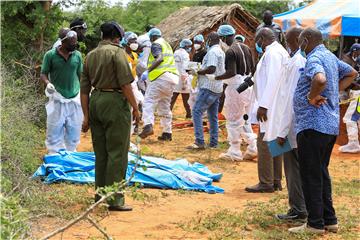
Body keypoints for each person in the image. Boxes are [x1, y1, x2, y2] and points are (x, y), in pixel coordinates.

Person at [289, 27, 357, 234]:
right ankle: (330, 220)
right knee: (321, 173)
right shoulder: (330, 56)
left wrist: (311, 96)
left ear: (307, 39)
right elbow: (352, 73)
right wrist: (333, 92)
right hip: (328, 126)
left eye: (301, 40)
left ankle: (315, 224)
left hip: (312, 125)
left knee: (311, 176)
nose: (299, 44)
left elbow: (319, 79)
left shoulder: (315, 57)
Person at [80, 21, 139, 211]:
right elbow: (125, 84)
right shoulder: (117, 53)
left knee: (101, 152)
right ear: (117, 37)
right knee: (117, 152)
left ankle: (100, 195)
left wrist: (86, 117)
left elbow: (83, 90)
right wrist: (136, 108)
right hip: (114, 102)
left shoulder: (89, 55)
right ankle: (114, 199)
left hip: (95, 100)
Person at [245, 27, 288, 193]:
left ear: (262, 38)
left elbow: (273, 80)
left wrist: (264, 105)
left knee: (264, 143)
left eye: (257, 40)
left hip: (270, 105)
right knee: (275, 141)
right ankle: (276, 180)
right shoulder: (278, 51)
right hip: (276, 105)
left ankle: (266, 182)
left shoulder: (273, 54)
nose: (257, 44)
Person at [274, 27, 307, 223]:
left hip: (291, 127)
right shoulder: (296, 60)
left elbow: (290, 101)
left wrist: (282, 130)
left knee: (293, 170)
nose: (287, 43)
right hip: (292, 125)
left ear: (297, 39)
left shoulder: (297, 63)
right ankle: (298, 207)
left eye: (288, 40)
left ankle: (298, 209)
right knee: (294, 169)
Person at [215, 24, 257, 161]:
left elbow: (231, 72)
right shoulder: (246, 48)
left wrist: (215, 77)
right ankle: (253, 147)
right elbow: (252, 68)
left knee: (233, 121)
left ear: (223, 37)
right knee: (244, 119)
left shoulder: (230, 51)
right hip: (248, 86)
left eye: (221, 38)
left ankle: (234, 151)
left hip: (236, 88)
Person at [40, 29, 83, 155]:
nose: (74, 45)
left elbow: (81, 75)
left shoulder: (77, 55)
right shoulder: (50, 55)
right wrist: (48, 83)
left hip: (75, 98)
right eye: (71, 43)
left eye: (75, 43)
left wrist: (85, 91)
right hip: (57, 98)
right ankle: (54, 156)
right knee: (54, 129)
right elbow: (43, 73)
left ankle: (71, 154)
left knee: (74, 130)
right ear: (62, 42)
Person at [139, 28, 179, 141]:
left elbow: (160, 58)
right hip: (172, 79)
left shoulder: (156, 44)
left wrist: (148, 70)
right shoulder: (167, 44)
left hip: (160, 77)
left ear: (151, 37)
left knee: (148, 101)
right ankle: (167, 132)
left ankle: (148, 125)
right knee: (164, 106)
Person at [187, 32, 225, 149]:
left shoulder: (213, 52)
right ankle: (213, 142)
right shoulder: (220, 51)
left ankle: (199, 141)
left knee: (196, 111)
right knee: (212, 116)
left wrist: (197, 72)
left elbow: (211, 68)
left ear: (209, 40)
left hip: (209, 86)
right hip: (217, 87)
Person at [122, 31, 145, 134]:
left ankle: (135, 126)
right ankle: (131, 129)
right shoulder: (122, 55)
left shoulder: (135, 54)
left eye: (136, 41)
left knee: (140, 103)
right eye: (132, 41)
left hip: (134, 82)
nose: (135, 43)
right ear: (126, 42)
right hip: (127, 83)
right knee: (133, 105)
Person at [339, 43, 360, 153]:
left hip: (357, 94)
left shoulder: (354, 61)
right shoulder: (349, 60)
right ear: (354, 51)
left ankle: (353, 144)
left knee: (350, 118)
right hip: (356, 93)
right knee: (358, 118)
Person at [170, 39, 192, 119]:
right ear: (187, 46)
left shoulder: (176, 52)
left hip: (175, 77)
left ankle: (167, 113)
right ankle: (189, 114)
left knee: (173, 96)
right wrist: (184, 77)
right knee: (186, 97)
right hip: (183, 78)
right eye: (189, 46)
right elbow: (185, 67)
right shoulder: (185, 54)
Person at [189, 34, 207, 110]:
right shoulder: (195, 54)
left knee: (200, 96)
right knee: (193, 96)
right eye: (195, 42)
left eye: (198, 42)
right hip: (194, 77)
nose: (196, 44)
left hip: (202, 77)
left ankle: (201, 113)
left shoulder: (205, 53)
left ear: (202, 43)